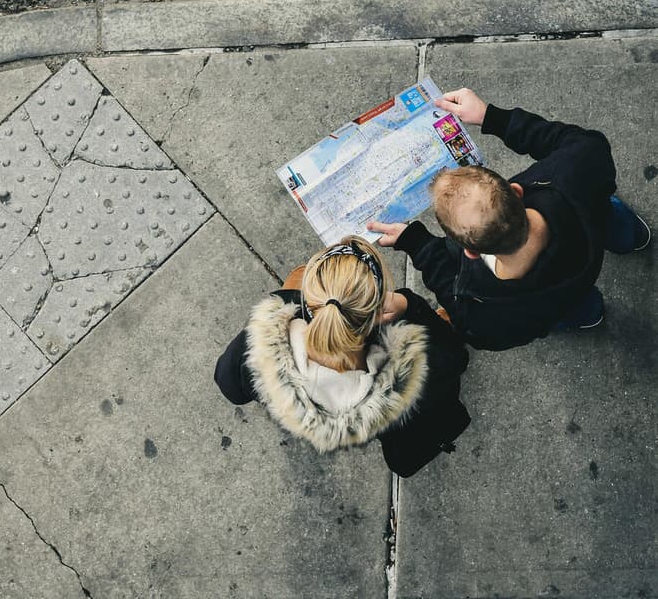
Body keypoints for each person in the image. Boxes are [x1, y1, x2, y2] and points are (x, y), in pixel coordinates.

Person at [369, 87, 651, 351]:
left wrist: (417, 243)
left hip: (556, 302)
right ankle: (631, 237)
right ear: (516, 191)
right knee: (607, 215)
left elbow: (471, 323)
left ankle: (589, 314)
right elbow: (584, 143)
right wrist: (493, 117)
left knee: (573, 304)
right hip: (589, 223)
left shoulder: (487, 314)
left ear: (471, 251)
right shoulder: (577, 168)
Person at [215, 236, 470, 477]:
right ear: (377, 316)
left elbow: (228, 383)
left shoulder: (259, 343)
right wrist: (408, 304)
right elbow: (456, 357)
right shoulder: (410, 380)